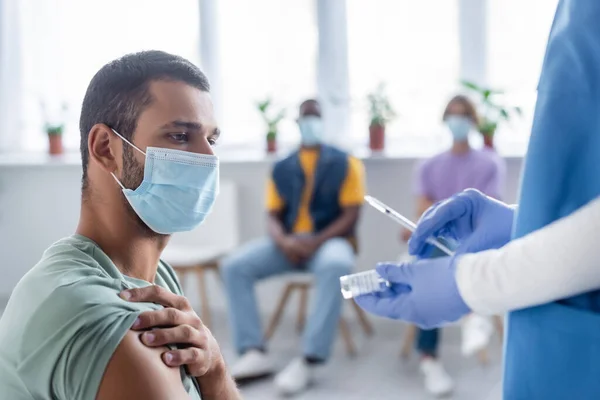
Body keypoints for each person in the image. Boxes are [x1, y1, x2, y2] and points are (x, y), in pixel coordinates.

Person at [356, 0, 600, 398]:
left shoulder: (487, 160)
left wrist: (469, 282)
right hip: (545, 324)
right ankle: (451, 342)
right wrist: (517, 220)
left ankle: (464, 330)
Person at [0, 51, 240, 399]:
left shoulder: (148, 277)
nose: (208, 158)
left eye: (211, 139)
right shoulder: (103, 320)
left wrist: (215, 368)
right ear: (105, 148)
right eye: (178, 136)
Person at [221, 99, 365, 396]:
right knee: (235, 265)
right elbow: (272, 215)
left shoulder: (347, 163)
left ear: (323, 122)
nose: (310, 123)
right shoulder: (282, 167)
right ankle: (253, 351)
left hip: (330, 243)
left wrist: (317, 241)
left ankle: (310, 359)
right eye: (306, 118)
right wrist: (284, 241)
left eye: (316, 117)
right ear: (298, 123)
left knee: (337, 265)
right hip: (288, 244)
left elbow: (351, 215)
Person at [399, 94, 504, 396]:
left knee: (435, 266)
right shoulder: (429, 166)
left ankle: (430, 355)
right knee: (435, 258)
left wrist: (445, 213)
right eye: (452, 114)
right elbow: (424, 208)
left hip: (474, 239)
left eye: (463, 114)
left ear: (473, 121)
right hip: (438, 239)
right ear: (445, 120)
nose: (457, 120)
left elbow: (487, 212)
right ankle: (461, 328)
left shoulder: (489, 163)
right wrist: (454, 213)